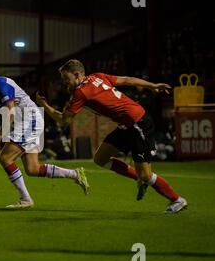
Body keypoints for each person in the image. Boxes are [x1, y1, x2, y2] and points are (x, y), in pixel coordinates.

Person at [36, 59, 187, 214]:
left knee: (146, 175)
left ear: (77, 75)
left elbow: (64, 121)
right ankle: (139, 178)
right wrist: (152, 85)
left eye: (66, 79)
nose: (65, 83)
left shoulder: (81, 92)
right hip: (126, 125)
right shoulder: (98, 76)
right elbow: (127, 80)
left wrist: (44, 106)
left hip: (138, 124)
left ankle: (177, 200)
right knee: (100, 158)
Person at [0, 58, 89, 209]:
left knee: (5, 158)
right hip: (29, 120)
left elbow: (10, 112)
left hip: (29, 120)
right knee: (32, 169)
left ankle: (25, 198)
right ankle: (75, 174)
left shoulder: (1, 84)